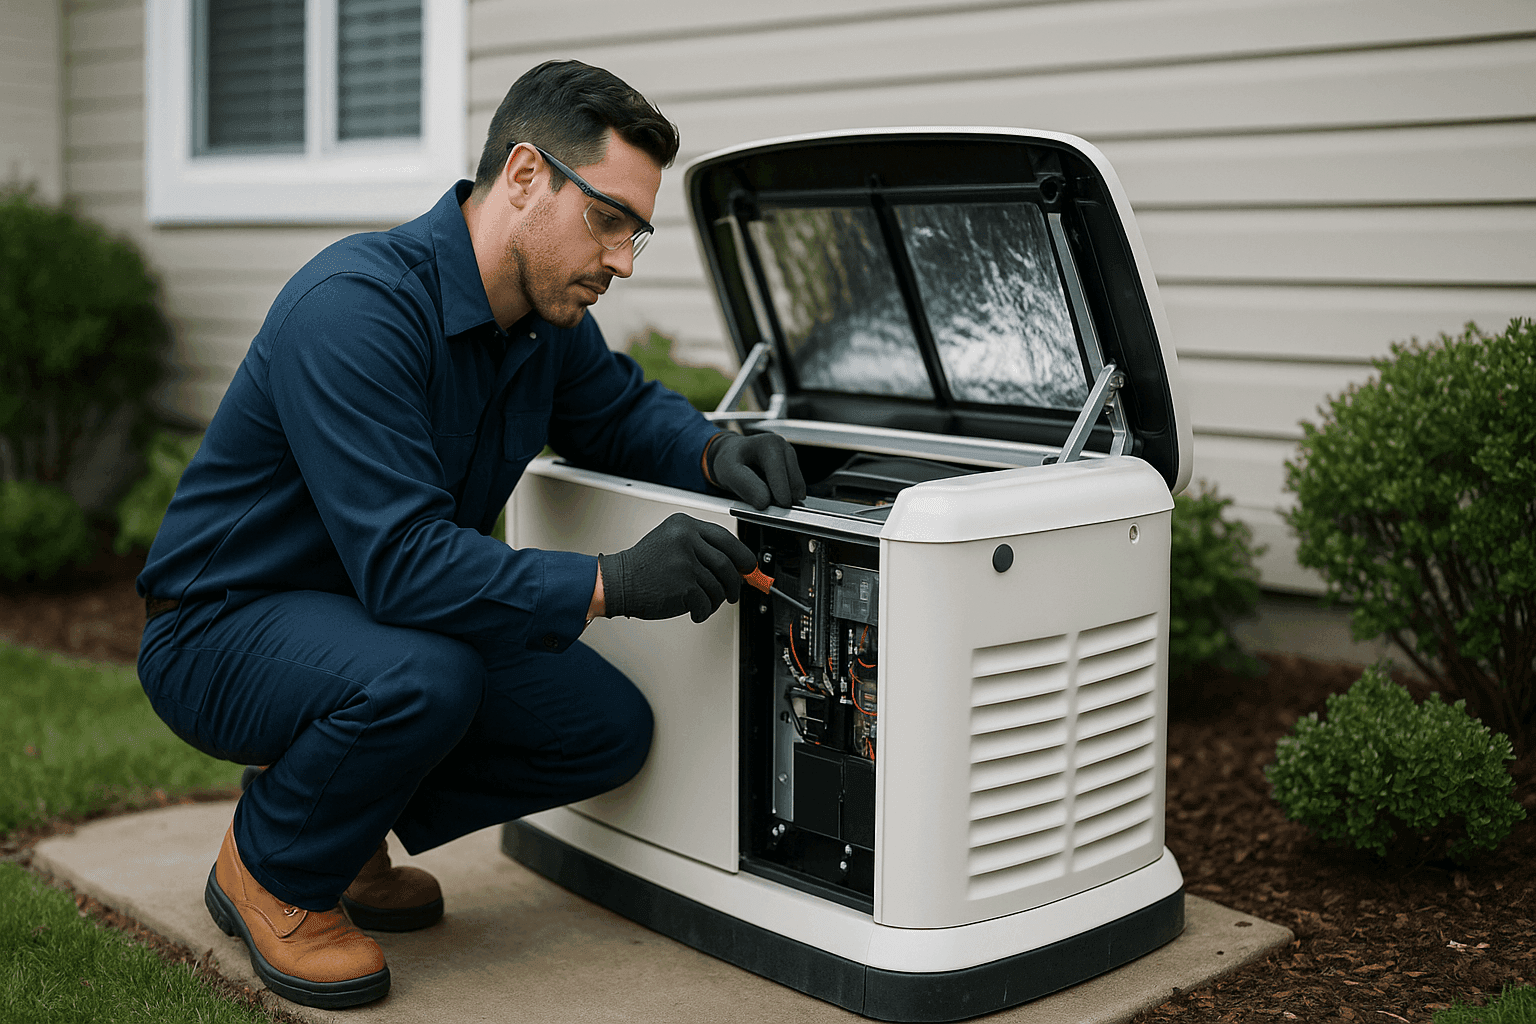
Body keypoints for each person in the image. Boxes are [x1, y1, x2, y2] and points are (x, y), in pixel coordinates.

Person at [136, 60, 805, 1010]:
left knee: (600, 731)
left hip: (366, 620)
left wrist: (711, 452)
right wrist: (613, 579)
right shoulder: (357, 311)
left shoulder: (541, 320)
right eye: (608, 220)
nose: (621, 259)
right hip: (220, 628)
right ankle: (273, 870)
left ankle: (335, 823)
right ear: (526, 177)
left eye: (637, 235)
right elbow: (407, 566)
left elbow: (615, 416)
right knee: (426, 677)